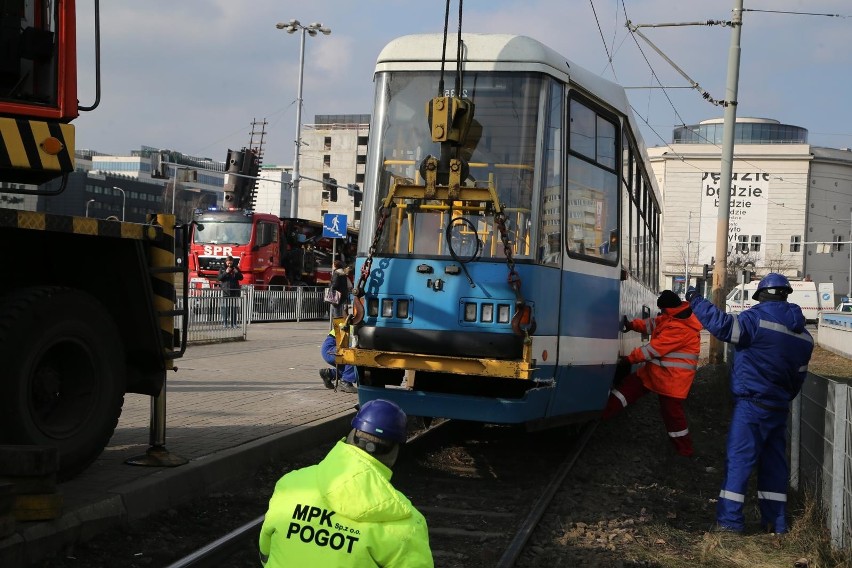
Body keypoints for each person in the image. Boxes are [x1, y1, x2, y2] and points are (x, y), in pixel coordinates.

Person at [686, 273, 814, 534]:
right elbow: (798, 379)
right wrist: (781, 397)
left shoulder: (754, 320)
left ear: (761, 295)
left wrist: (695, 300)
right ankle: (775, 524)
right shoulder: (804, 337)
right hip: (778, 409)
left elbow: (720, 326)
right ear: (787, 294)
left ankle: (730, 523)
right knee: (774, 466)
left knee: (739, 462)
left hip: (751, 406)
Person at [259, 399, 434, 567]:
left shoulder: (291, 483)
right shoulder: (406, 522)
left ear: (351, 436)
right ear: (395, 452)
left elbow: (265, 552)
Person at [604, 290, 702, 457]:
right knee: (626, 390)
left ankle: (685, 451)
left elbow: (652, 349)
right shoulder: (673, 317)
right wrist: (632, 324)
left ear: (667, 309)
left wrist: (628, 360)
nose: (661, 313)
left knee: (673, 416)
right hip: (657, 373)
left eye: (662, 310)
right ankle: (602, 414)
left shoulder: (680, 328)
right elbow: (652, 324)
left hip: (672, 380)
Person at [320, 328, 358, 393]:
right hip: (331, 349)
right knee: (356, 354)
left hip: (333, 348)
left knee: (351, 369)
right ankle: (345, 381)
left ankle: (330, 374)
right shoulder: (354, 321)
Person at [217, 255, 243, 327]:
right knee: (225, 308)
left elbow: (241, 278)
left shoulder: (236, 268)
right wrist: (226, 272)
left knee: (234, 308)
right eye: (228, 263)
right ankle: (225, 323)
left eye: (231, 263)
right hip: (226, 292)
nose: (229, 265)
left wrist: (237, 272)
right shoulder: (222, 268)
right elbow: (219, 278)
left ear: (232, 262)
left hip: (234, 291)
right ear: (226, 262)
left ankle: (234, 323)